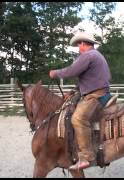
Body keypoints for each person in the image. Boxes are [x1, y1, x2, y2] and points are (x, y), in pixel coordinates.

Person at [49, 32, 112, 170]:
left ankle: (87, 157)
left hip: (96, 95)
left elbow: (72, 71)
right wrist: (73, 91)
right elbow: (87, 79)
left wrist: (56, 73)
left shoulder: (88, 55)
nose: (78, 47)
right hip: (98, 91)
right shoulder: (96, 56)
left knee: (78, 119)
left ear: (83, 43)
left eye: (79, 44)